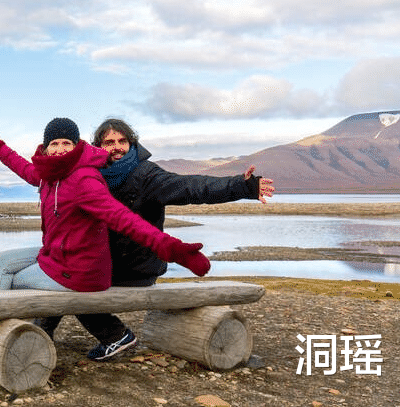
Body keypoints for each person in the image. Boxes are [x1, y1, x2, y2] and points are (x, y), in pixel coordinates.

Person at [0, 118, 212, 356]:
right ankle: (3, 334)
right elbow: (23, 167)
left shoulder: (84, 179)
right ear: (44, 148)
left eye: (67, 143)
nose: (60, 149)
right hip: (61, 257)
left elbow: (123, 218)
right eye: (54, 144)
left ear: (77, 146)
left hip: (80, 271)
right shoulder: (49, 174)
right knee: (2, 260)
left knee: (8, 278)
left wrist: (173, 249)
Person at [51, 118, 275, 361]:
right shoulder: (93, 175)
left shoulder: (146, 176)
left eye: (122, 141)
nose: (116, 147)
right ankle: (41, 332)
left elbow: (191, 187)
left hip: (134, 267)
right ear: (98, 146)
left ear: (132, 143)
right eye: (109, 142)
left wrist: (242, 187)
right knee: (57, 266)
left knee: (68, 279)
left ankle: (114, 335)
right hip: (105, 262)